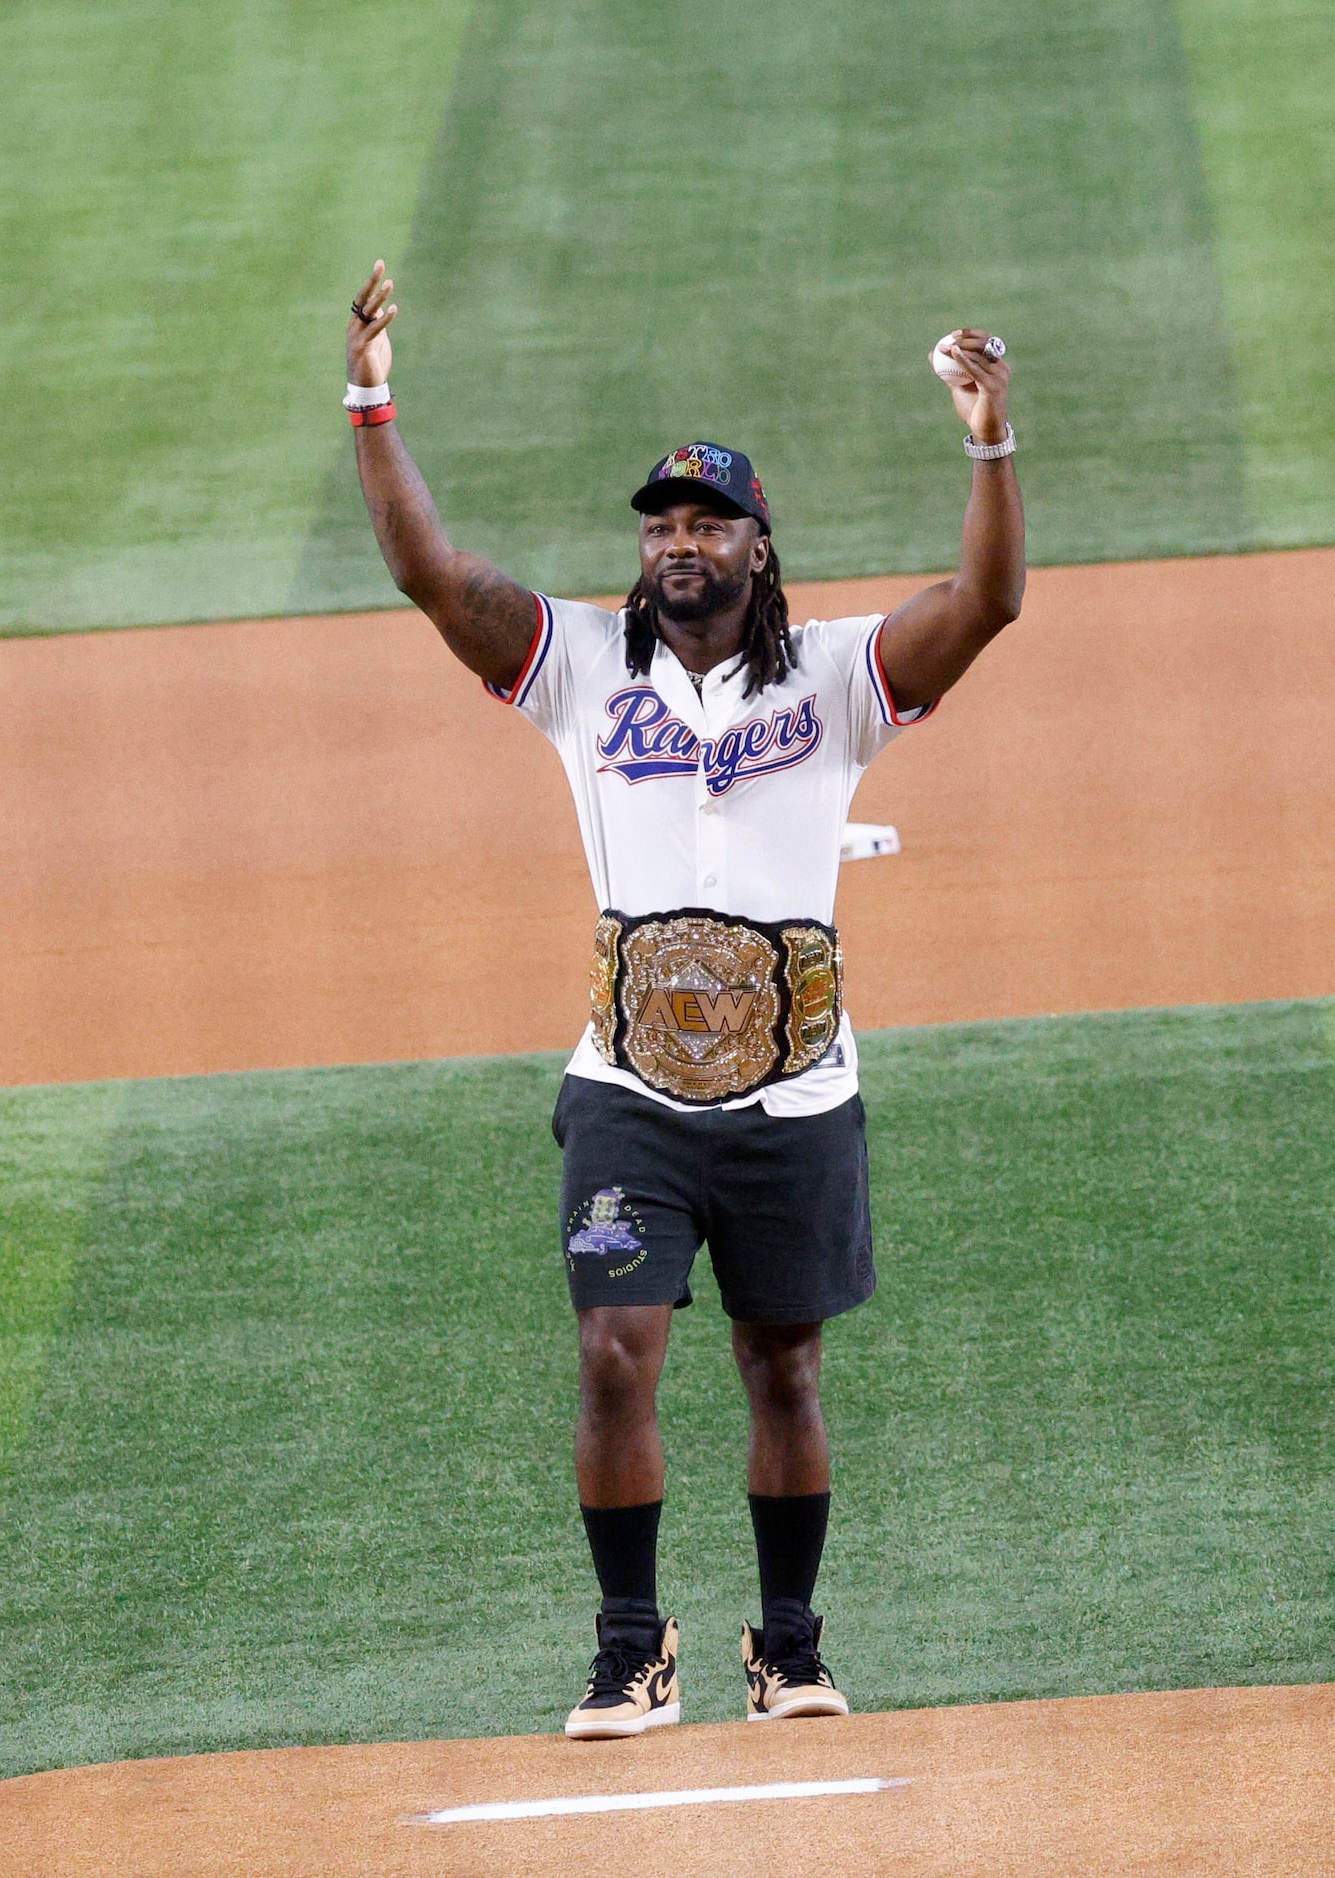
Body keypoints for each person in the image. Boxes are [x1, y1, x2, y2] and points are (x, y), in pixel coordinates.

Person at [340, 262, 1023, 1735]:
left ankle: (785, 1644)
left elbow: (989, 600)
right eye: (659, 527)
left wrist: (987, 444)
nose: (677, 545)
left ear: (758, 551)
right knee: (611, 1349)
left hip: (798, 1097)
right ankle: (627, 1645)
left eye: (707, 523)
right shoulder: (579, 663)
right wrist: (370, 401)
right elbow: (428, 572)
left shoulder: (839, 677)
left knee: (784, 1365)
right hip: (627, 1094)